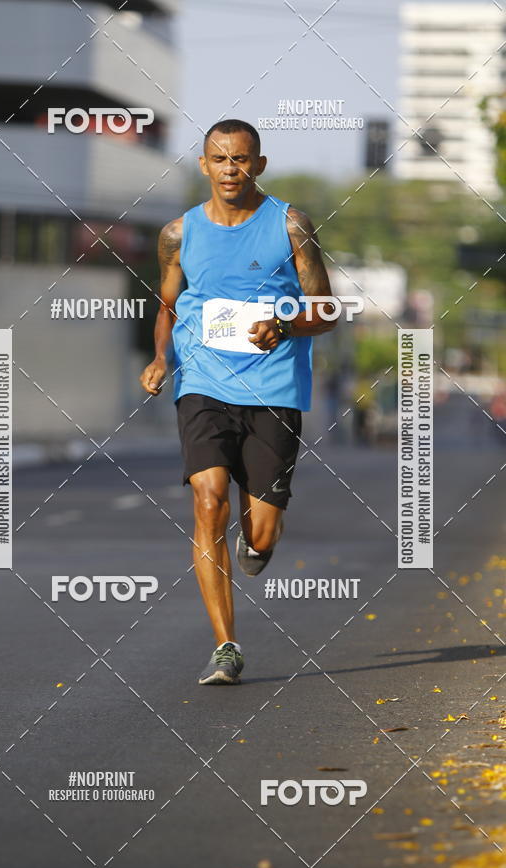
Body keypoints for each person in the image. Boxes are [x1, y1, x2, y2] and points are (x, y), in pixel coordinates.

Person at [139, 119, 335, 685]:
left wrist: (285, 326)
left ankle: (258, 542)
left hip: (273, 388)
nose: (232, 169)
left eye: (242, 159)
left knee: (261, 532)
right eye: (220, 159)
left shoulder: (291, 225)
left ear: (260, 164)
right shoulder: (179, 234)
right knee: (208, 500)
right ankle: (226, 645)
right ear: (204, 165)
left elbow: (325, 311)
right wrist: (160, 359)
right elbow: (170, 307)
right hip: (202, 380)